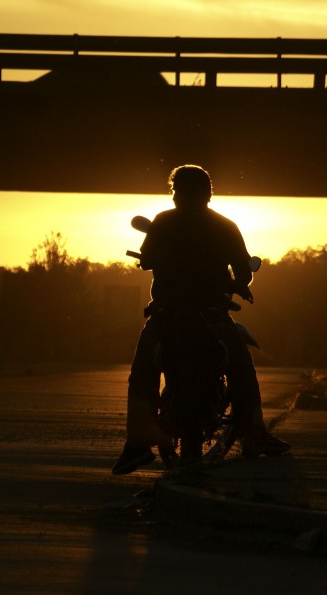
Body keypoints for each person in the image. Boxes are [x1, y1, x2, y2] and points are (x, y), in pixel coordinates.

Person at [112, 164, 291, 475]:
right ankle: (254, 433)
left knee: (143, 371)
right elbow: (244, 270)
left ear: (174, 192)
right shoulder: (224, 225)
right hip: (212, 314)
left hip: (169, 314)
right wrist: (238, 284)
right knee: (241, 366)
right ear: (209, 192)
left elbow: (146, 259)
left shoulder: (164, 222)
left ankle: (138, 444)